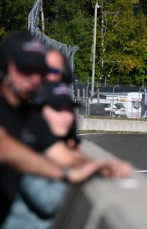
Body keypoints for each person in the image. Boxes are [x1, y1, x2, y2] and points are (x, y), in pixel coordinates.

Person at [0, 31, 132, 227]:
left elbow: (61, 154)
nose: (36, 78)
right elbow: (5, 148)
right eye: (27, 68)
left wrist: (96, 165)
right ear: (7, 66)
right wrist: (65, 174)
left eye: (40, 70)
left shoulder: (31, 116)